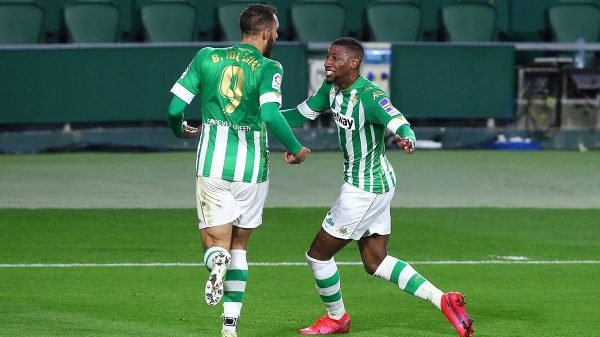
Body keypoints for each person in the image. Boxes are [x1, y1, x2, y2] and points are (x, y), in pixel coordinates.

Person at [281, 37, 474, 337]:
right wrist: (261, 117)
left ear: (354, 63)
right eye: (327, 57)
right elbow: (300, 114)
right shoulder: (331, 90)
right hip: (374, 184)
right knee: (376, 261)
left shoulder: (370, 95)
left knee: (318, 255)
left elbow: (396, 119)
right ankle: (443, 300)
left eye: (335, 58)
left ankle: (337, 318)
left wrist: (406, 136)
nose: (327, 63)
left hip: (365, 188)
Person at [167, 3, 310, 337]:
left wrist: (181, 131)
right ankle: (229, 327)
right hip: (252, 170)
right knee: (240, 248)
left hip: (212, 166)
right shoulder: (269, 67)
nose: (277, 35)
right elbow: (272, 115)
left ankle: (215, 262)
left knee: (216, 245)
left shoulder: (206, 57)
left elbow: (175, 108)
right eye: (275, 30)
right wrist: (296, 149)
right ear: (264, 32)